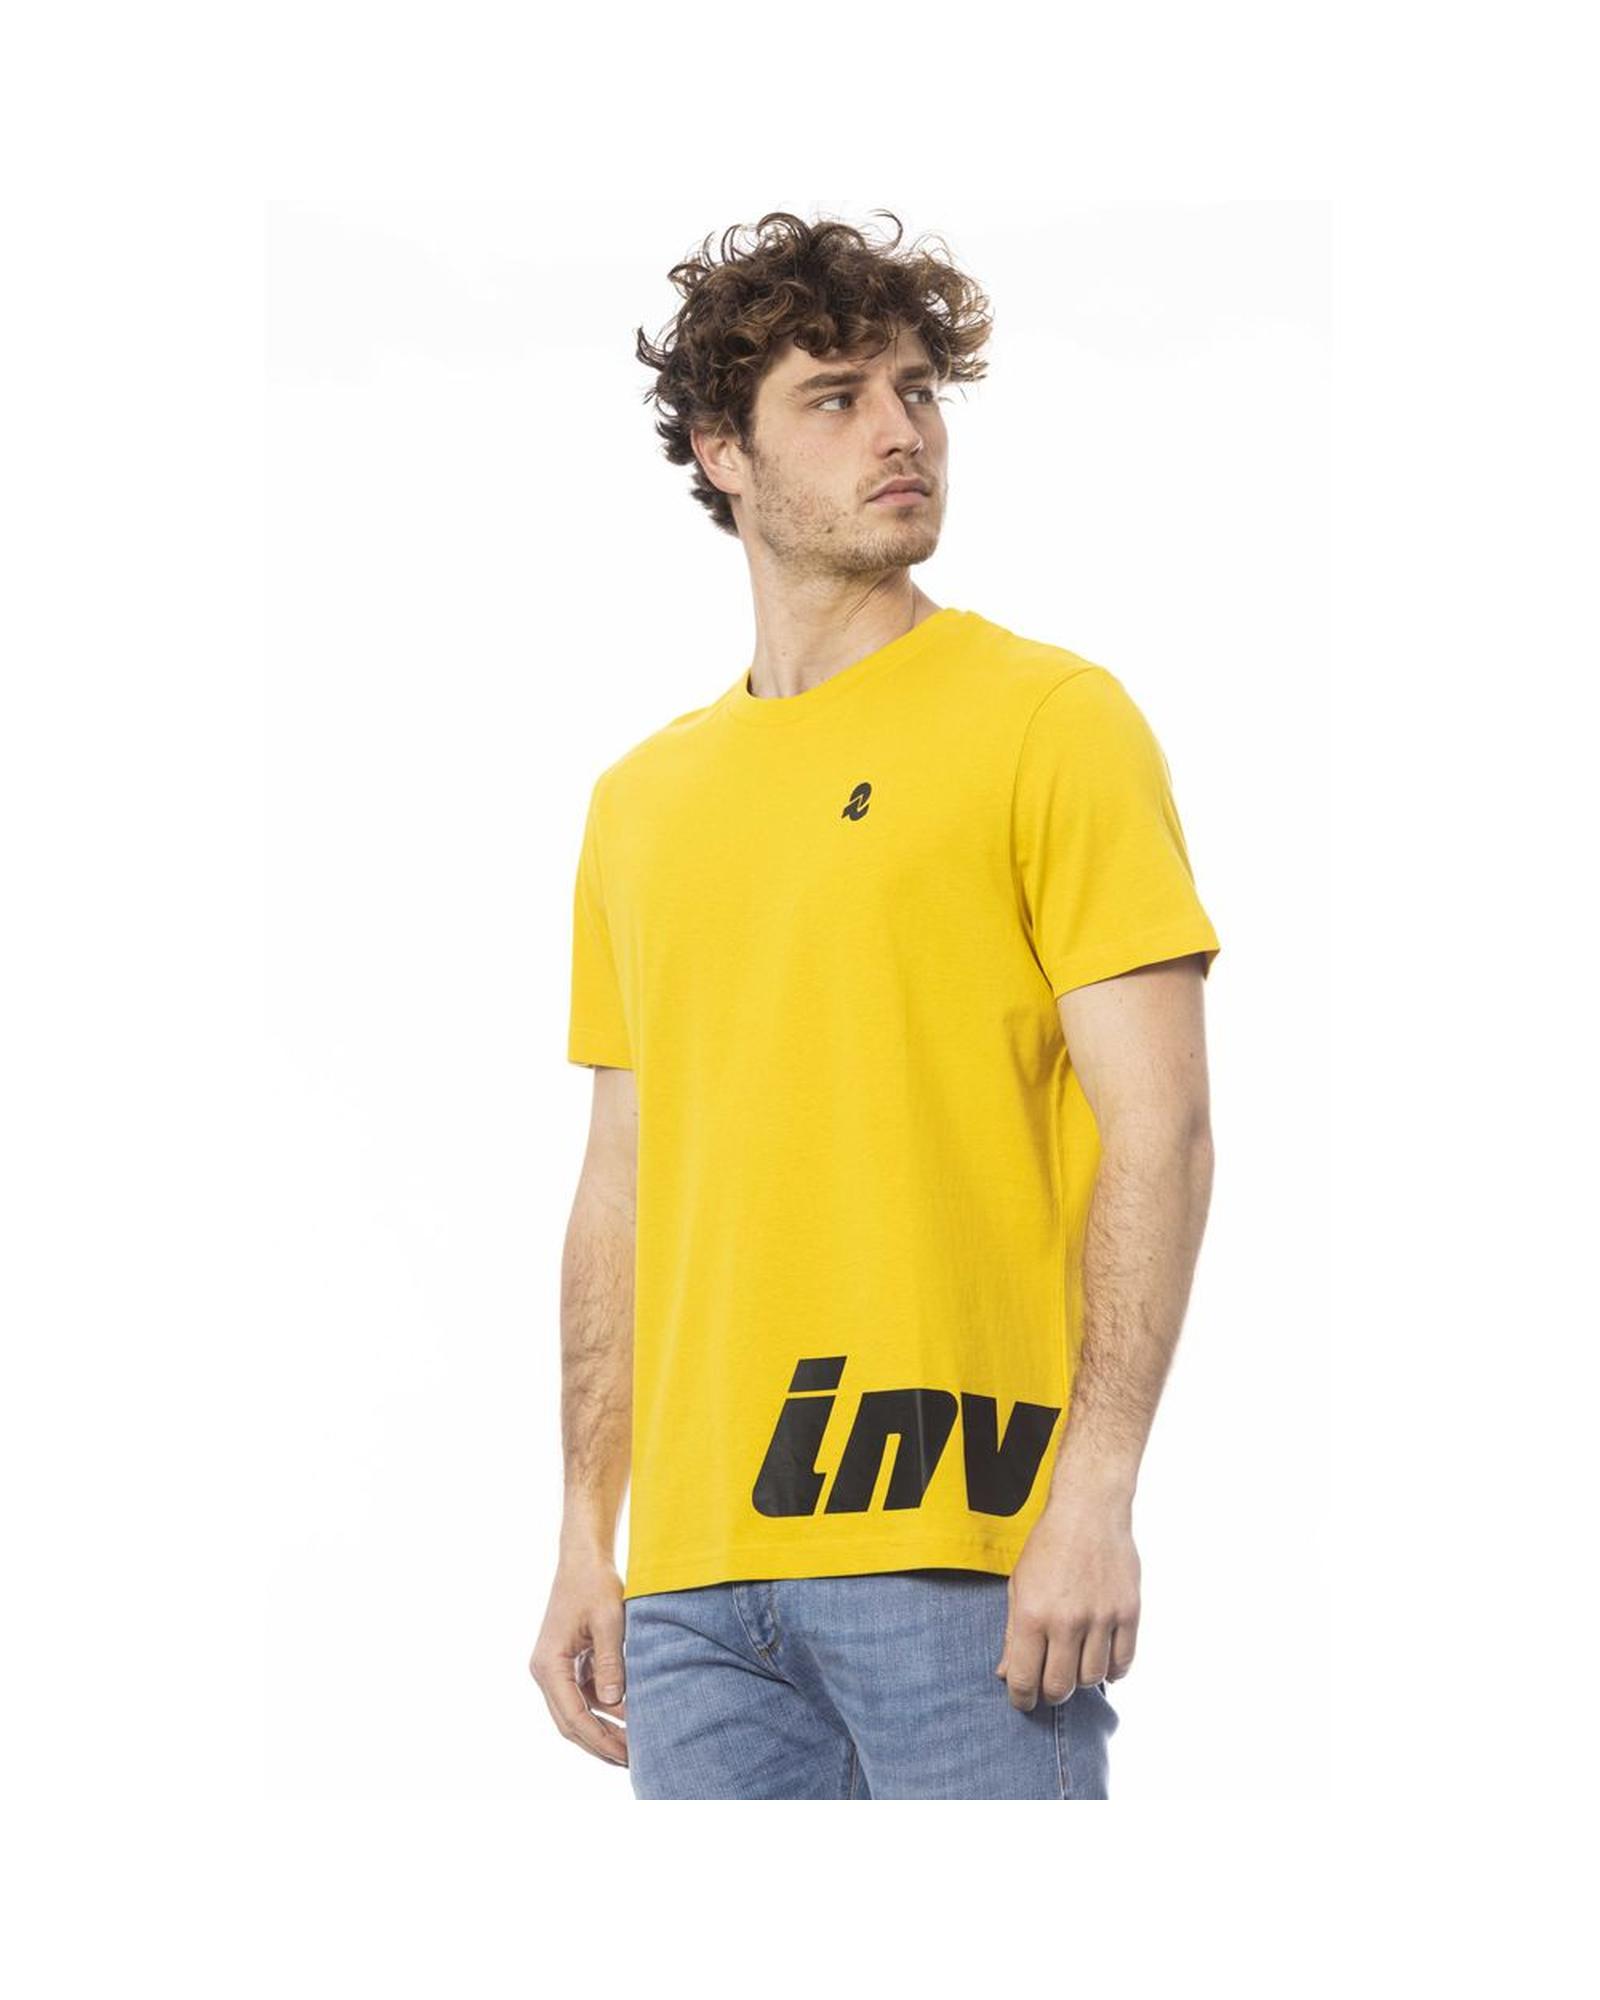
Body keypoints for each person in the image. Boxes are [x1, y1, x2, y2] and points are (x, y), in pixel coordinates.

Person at [528, 211, 1221, 1799]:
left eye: (918, 390)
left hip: (960, 1544)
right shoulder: (640, 803)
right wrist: (584, 1531)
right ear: (724, 455)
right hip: (698, 1583)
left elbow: (1164, 1131)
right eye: (837, 399)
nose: (901, 431)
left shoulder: (1051, 721)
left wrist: (1096, 1490)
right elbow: (619, 1185)